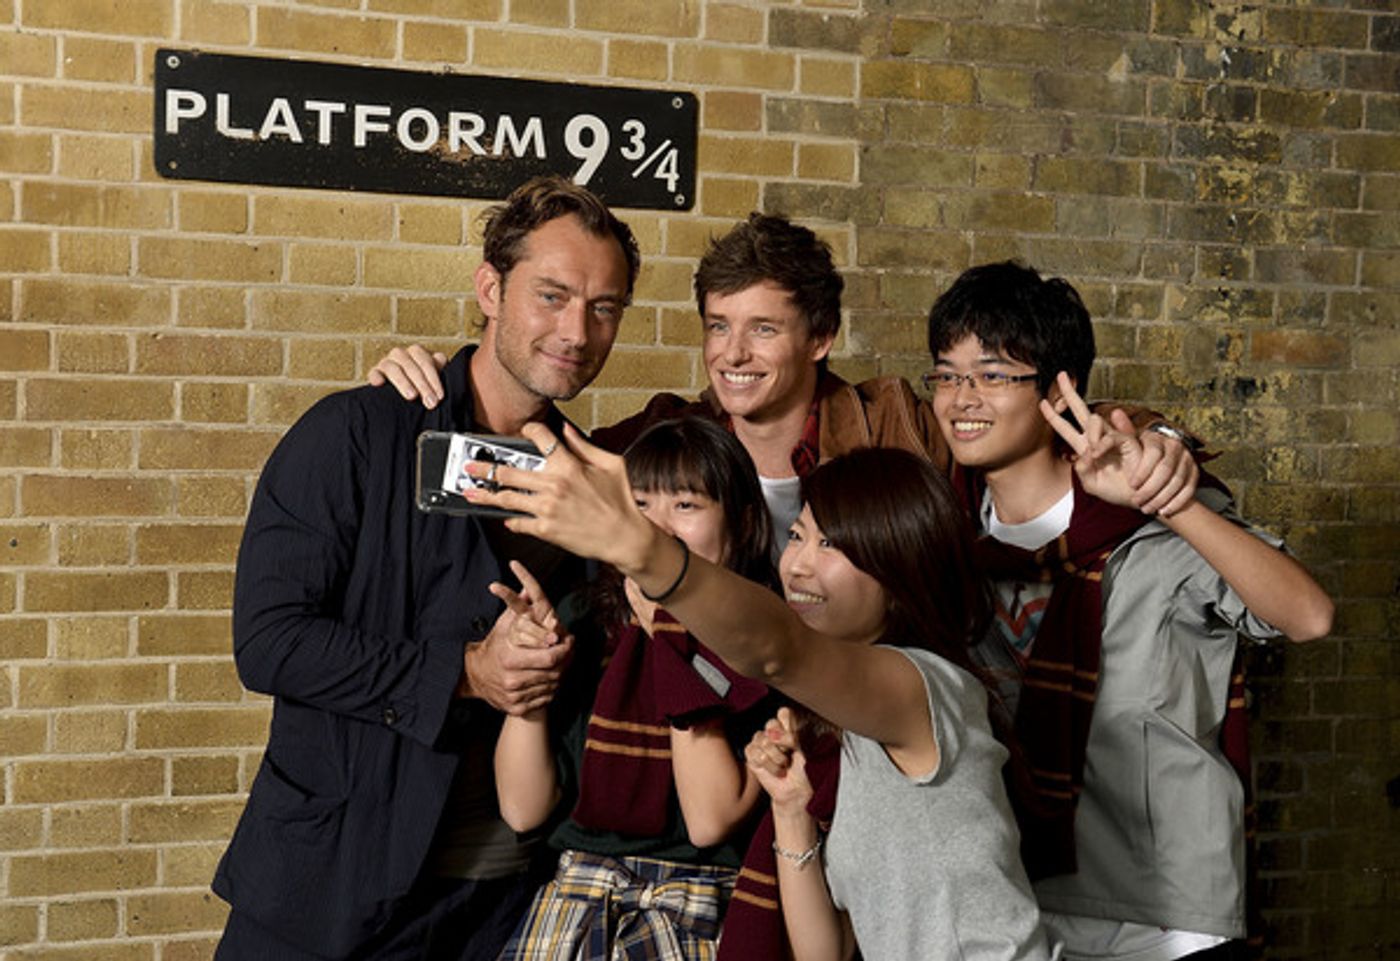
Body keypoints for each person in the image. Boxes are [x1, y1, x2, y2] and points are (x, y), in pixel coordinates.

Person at [212, 176, 640, 960]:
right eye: (551, 295)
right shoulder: (360, 433)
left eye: (604, 306)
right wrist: (468, 671)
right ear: (491, 287)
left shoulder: (594, 483)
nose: (576, 330)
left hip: (501, 900)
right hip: (329, 888)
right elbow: (268, 641)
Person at [459, 435, 1056, 961]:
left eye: (832, 547)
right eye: (798, 536)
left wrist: (640, 547)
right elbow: (826, 952)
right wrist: (793, 813)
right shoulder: (832, 729)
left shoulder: (924, 688)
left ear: (900, 571)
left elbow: (775, 650)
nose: (797, 566)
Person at [924, 261, 1334, 961]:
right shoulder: (942, 536)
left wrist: (1167, 502)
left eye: (993, 374)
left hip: (1167, 916)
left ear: (1060, 390)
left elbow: (1308, 615)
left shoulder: (1151, 518)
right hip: (1011, 903)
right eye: (947, 373)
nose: (963, 397)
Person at [368, 213, 1200, 550]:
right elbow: (523, 461)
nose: (733, 354)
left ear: (822, 338)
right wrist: (434, 386)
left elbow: (1037, 414)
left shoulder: (901, 420)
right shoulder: (670, 436)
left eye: (763, 329)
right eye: (719, 327)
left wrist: (1159, 440)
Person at [490, 416, 778, 960]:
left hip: (693, 905)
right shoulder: (586, 618)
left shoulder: (760, 636)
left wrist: (668, 637)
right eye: (641, 505)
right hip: (575, 895)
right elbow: (523, 811)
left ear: (739, 523)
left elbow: (709, 818)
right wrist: (532, 674)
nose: (658, 529)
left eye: (686, 506)